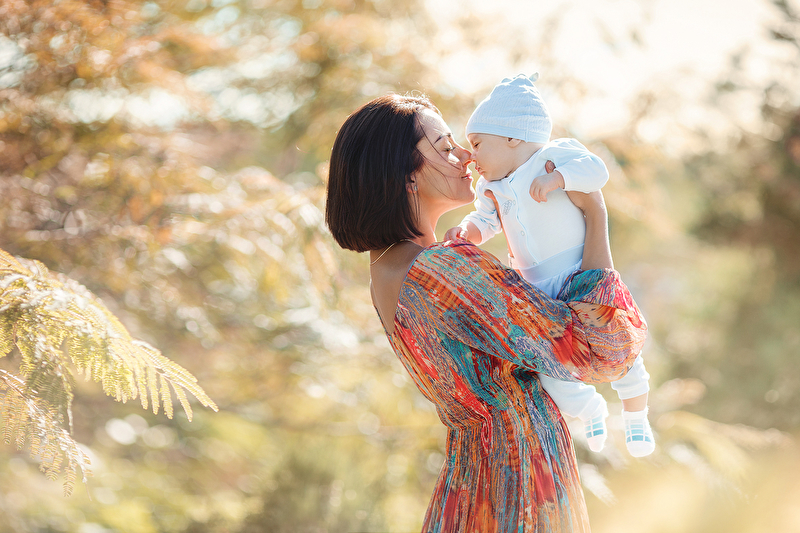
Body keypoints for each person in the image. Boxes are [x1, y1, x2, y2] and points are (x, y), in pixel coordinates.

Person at [325, 93, 647, 532]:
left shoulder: (386, 270)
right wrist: (594, 212)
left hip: (474, 481)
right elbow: (600, 348)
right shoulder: (443, 269)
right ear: (405, 174)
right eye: (444, 146)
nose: (465, 156)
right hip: (518, 487)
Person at [444, 73, 655, 457]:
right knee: (548, 366)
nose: (471, 157)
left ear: (512, 138)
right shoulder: (491, 188)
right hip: (537, 291)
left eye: (476, 144)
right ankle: (589, 409)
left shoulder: (552, 157)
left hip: (580, 272)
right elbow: (486, 221)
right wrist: (468, 231)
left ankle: (636, 415)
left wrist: (560, 177)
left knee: (618, 341)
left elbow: (596, 171)